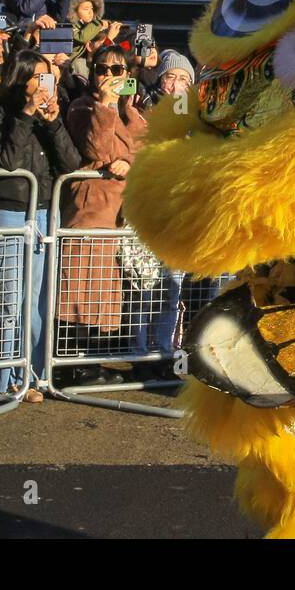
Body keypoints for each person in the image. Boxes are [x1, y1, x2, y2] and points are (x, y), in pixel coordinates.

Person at [0, 49, 82, 400]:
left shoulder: (47, 116)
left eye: (49, 77)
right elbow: (8, 159)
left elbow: (72, 162)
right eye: (39, 77)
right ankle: (3, 377)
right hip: (11, 211)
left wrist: (53, 122)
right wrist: (25, 115)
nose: (45, 85)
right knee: (9, 299)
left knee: (39, 303)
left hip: (44, 212)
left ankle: (35, 374)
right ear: (21, 78)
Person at [58, 45, 148, 386]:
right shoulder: (84, 107)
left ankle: (91, 362)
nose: (110, 76)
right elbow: (97, 149)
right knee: (77, 289)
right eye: (103, 69)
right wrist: (107, 105)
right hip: (89, 210)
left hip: (118, 216)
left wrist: (131, 162)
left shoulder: (132, 111)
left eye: (118, 69)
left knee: (102, 292)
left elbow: (146, 149)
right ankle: (69, 365)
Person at [131, 49, 197, 380]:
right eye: (170, 77)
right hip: (148, 210)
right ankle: (139, 354)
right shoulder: (143, 109)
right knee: (144, 287)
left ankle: (166, 352)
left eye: (184, 79)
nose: (176, 85)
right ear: (160, 81)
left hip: (179, 213)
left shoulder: (195, 117)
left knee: (173, 287)